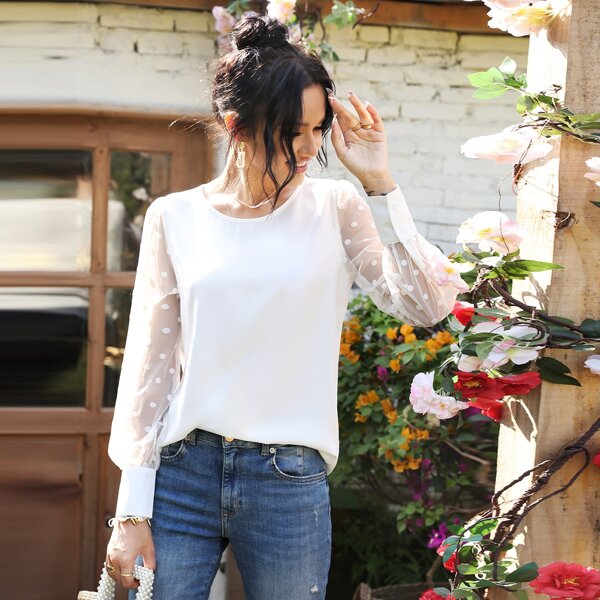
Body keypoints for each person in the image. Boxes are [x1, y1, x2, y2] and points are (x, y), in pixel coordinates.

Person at [105, 13, 462, 600]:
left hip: (288, 479)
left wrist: (381, 183)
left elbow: (426, 304)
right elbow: (150, 366)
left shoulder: (335, 206)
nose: (311, 146)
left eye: (319, 129)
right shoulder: (174, 217)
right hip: (182, 472)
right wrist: (130, 512)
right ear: (237, 126)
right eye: (294, 130)